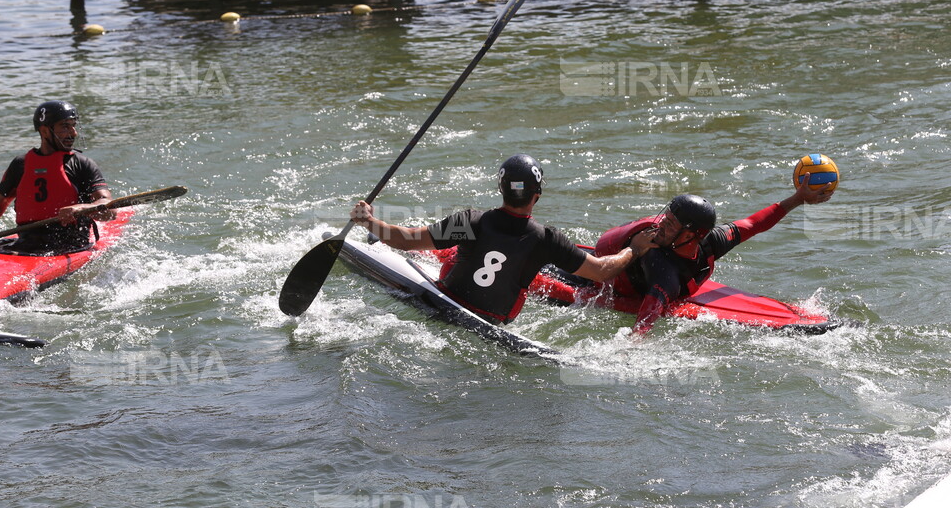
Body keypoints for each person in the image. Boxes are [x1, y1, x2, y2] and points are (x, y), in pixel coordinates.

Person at [350, 154, 642, 325]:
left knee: (441, 249)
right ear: (536, 196)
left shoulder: (471, 220)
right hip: (492, 322)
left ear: (501, 189)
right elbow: (603, 271)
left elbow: (406, 241)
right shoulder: (548, 239)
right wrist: (634, 249)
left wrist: (370, 221)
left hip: (446, 302)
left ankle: (372, 238)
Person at [595, 176, 834, 335]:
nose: (660, 227)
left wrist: (798, 200)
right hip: (608, 276)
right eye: (665, 219)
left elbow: (753, 224)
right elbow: (642, 326)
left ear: (693, 235)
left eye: (671, 225)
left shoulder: (712, 242)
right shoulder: (662, 268)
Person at [0, 101, 113, 254]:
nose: (73, 133)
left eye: (73, 125)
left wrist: (82, 208)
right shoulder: (20, 165)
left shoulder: (82, 165)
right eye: (65, 126)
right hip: (27, 244)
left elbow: (110, 210)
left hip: (70, 245)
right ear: (45, 131)